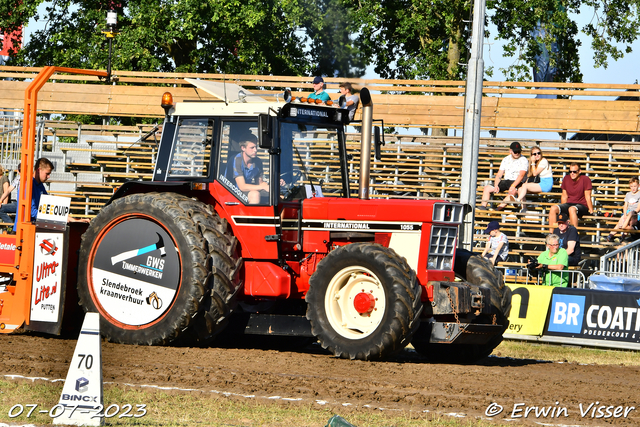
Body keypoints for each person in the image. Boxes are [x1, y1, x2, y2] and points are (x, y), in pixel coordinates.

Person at [11, 158, 88, 232]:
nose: (49, 176)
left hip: (33, 229)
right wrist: (59, 218)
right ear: (39, 170)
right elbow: (32, 211)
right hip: (22, 231)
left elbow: (51, 208)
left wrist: (74, 220)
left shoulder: (40, 186)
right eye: (47, 174)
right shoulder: (28, 185)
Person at [478, 141, 528, 210]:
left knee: (512, 193)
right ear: (510, 151)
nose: (517, 153)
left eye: (519, 152)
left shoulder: (524, 160)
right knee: (487, 188)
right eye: (515, 152)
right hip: (506, 181)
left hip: (517, 182)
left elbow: (521, 175)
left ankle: (497, 209)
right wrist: (496, 185)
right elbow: (499, 174)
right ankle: (483, 207)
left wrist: (513, 186)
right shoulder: (505, 159)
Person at [548, 163, 593, 233]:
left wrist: (591, 211)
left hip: (582, 205)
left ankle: (573, 235)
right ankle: (552, 234)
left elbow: (588, 196)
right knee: (553, 208)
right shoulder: (566, 178)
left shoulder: (585, 179)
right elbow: (564, 196)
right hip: (569, 204)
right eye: (570, 171)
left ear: (579, 171)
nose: (572, 173)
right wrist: (563, 212)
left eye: (574, 172)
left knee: (572, 209)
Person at [233, 135, 269, 204]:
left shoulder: (258, 162)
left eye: (256, 147)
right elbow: (242, 187)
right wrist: (262, 187)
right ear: (243, 148)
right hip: (232, 191)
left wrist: (272, 186)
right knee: (255, 195)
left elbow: (259, 183)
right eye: (252, 148)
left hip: (246, 191)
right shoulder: (237, 160)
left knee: (276, 195)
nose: (255, 150)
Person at [516, 146, 553, 213]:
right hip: (542, 183)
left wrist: (533, 162)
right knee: (520, 189)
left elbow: (535, 173)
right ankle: (523, 208)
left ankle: (517, 200)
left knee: (525, 186)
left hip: (546, 184)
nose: (537, 155)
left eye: (539, 153)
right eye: (534, 154)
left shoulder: (543, 161)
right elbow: (530, 175)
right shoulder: (537, 163)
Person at [605, 177, 640, 242]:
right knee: (621, 220)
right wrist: (624, 214)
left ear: (638, 185)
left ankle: (622, 237)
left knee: (628, 222)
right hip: (628, 212)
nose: (633, 188)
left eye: (635, 186)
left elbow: (638, 208)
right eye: (631, 186)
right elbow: (625, 206)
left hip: (635, 213)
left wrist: (631, 215)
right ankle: (610, 236)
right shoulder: (628, 194)